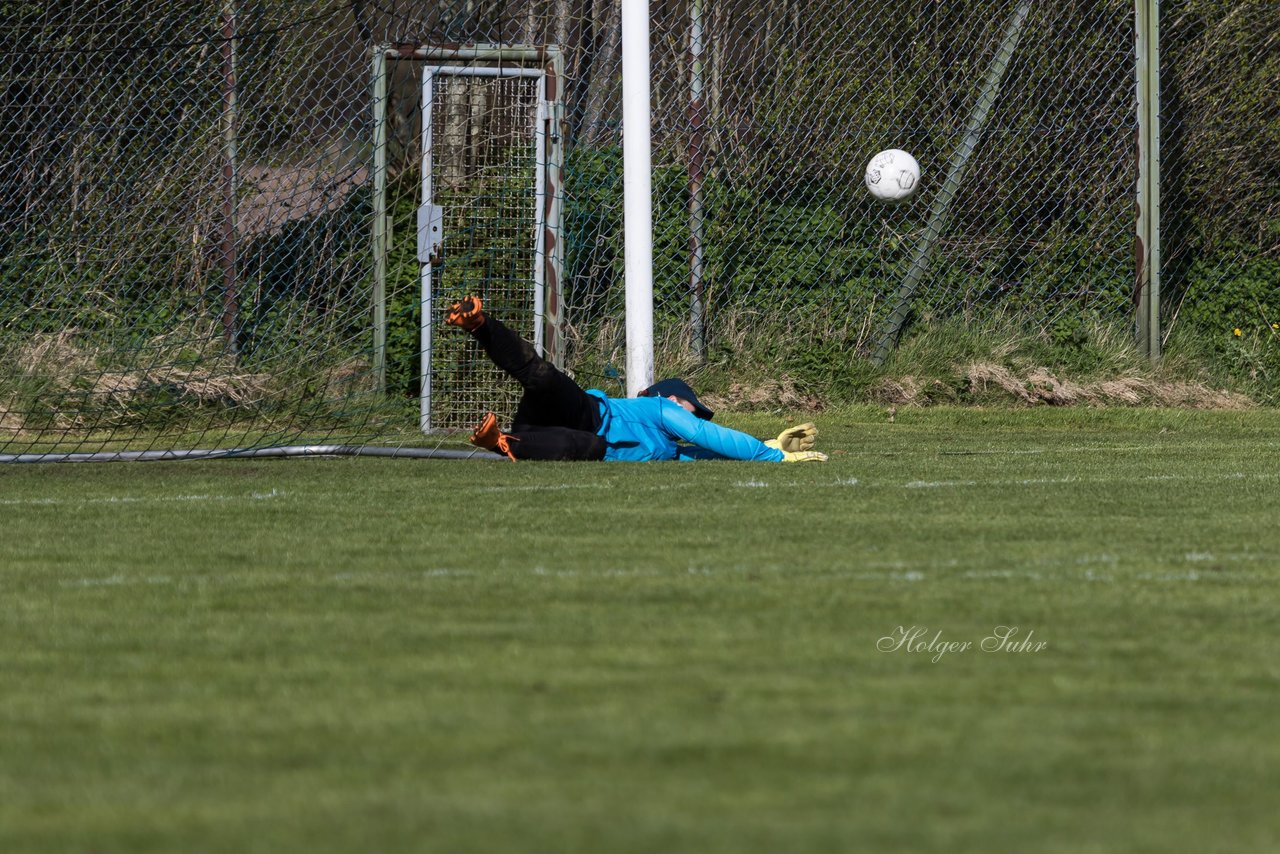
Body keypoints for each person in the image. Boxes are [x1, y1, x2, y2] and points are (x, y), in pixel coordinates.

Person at [444, 295, 827, 463]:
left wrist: (771, 443)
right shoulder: (658, 407)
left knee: (580, 447)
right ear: (673, 399)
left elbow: (711, 451)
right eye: (693, 410)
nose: (693, 421)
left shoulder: (669, 449)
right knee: (542, 377)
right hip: (584, 410)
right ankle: (480, 325)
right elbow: (707, 435)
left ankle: (502, 443)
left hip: (543, 436)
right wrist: (772, 457)